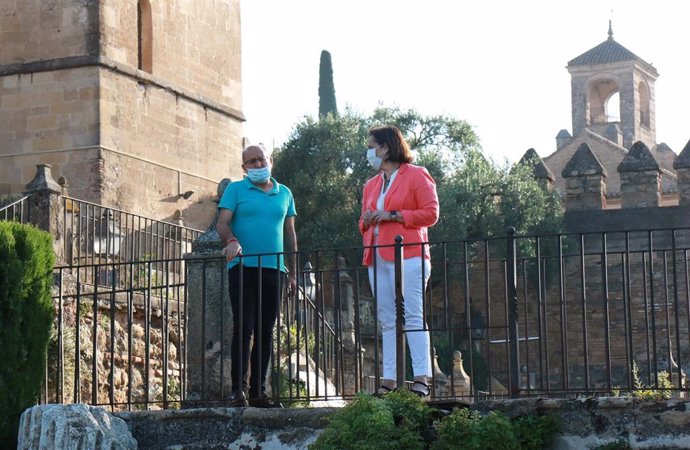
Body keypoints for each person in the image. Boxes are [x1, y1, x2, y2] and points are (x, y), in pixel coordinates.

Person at [359, 125, 439, 397]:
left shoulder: (417, 175)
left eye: (372, 146)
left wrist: (392, 215)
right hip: (376, 256)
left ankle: (421, 380)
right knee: (387, 319)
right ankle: (389, 380)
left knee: (413, 315)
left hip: (410, 254)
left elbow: (430, 214)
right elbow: (362, 221)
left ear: (385, 147)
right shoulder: (371, 184)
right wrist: (368, 220)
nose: (369, 151)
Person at [217, 144, 298, 407]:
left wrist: (293, 273)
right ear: (243, 168)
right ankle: (237, 391)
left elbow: (290, 235)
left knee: (266, 331)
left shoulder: (284, 193)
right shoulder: (235, 190)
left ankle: (258, 392)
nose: (256, 165)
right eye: (250, 162)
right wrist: (230, 240)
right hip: (242, 267)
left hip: (275, 270)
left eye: (260, 159)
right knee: (244, 328)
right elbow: (222, 222)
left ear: (270, 160)